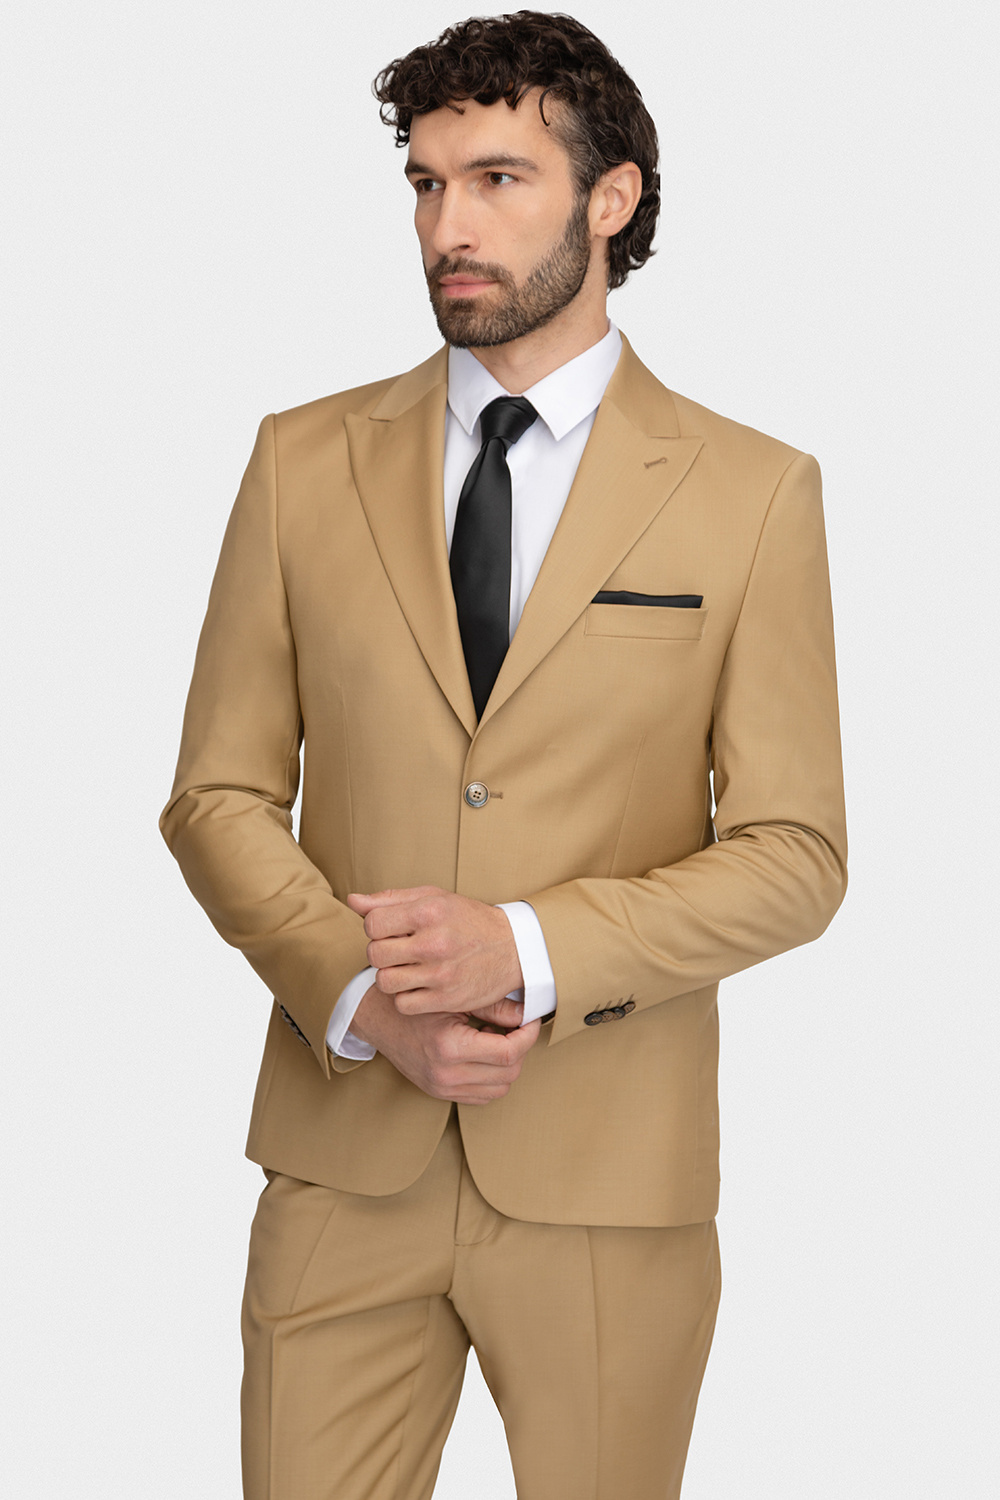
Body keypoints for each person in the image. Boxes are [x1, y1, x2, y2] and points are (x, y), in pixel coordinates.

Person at [160, 11, 847, 1499]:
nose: (447, 228)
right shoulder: (299, 461)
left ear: (613, 199)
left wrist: (528, 949)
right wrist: (360, 996)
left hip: (609, 1174)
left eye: (496, 180)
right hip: (345, 1155)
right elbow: (215, 795)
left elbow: (796, 858)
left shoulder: (752, 493)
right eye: (425, 184)